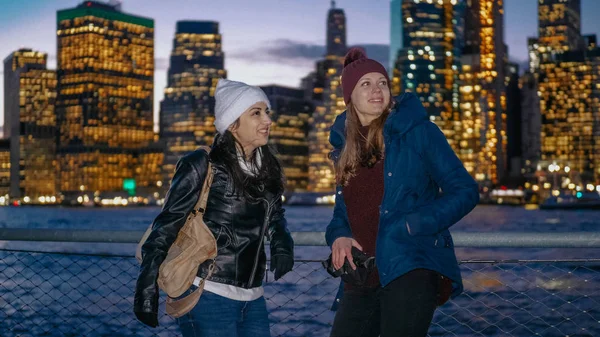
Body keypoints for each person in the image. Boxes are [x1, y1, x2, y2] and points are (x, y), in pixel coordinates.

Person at [325, 48, 480, 337]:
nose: (377, 90)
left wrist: (413, 224)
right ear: (350, 96)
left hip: (409, 267)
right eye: (366, 84)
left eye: (382, 82)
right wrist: (339, 235)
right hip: (361, 275)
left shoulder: (419, 132)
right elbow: (341, 213)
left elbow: (465, 190)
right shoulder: (344, 148)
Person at [134, 79, 294, 337]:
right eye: (256, 113)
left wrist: (282, 244)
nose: (267, 120)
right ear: (232, 124)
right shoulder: (202, 164)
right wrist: (146, 287)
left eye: (267, 112)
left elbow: (275, 217)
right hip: (208, 292)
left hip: (253, 296)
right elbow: (167, 224)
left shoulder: (268, 168)